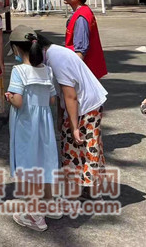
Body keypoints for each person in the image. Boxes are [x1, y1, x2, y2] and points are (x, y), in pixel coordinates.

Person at [36, 28, 109, 195]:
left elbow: (70, 96)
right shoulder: (53, 55)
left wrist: (75, 127)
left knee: (86, 146)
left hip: (87, 106)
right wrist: (61, 118)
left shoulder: (56, 58)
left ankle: (92, 189)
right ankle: (81, 185)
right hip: (78, 106)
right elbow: (63, 92)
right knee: (71, 146)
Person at [5, 26, 60, 232]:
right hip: (44, 124)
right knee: (45, 162)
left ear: (17, 50)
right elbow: (53, 99)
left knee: (29, 166)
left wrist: (9, 96)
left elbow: (18, 102)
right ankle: (49, 205)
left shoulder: (18, 71)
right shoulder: (47, 70)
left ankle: (34, 215)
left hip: (26, 124)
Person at [59, 0, 108, 79]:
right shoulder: (83, 11)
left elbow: (80, 50)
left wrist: (73, 75)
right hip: (88, 68)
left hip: (85, 69)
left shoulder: (81, 17)